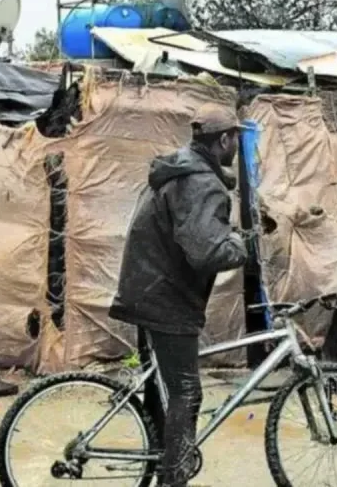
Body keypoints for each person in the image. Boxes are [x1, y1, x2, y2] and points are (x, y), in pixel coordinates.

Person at [109, 104, 248, 486]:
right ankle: (174, 478)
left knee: (161, 390)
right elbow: (207, 253)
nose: (237, 144)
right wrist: (240, 243)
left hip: (147, 289)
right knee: (187, 391)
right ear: (224, 140)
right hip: (166, 298)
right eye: (235, 137)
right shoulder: (200, 182)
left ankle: (161, 468)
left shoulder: (181, 168)